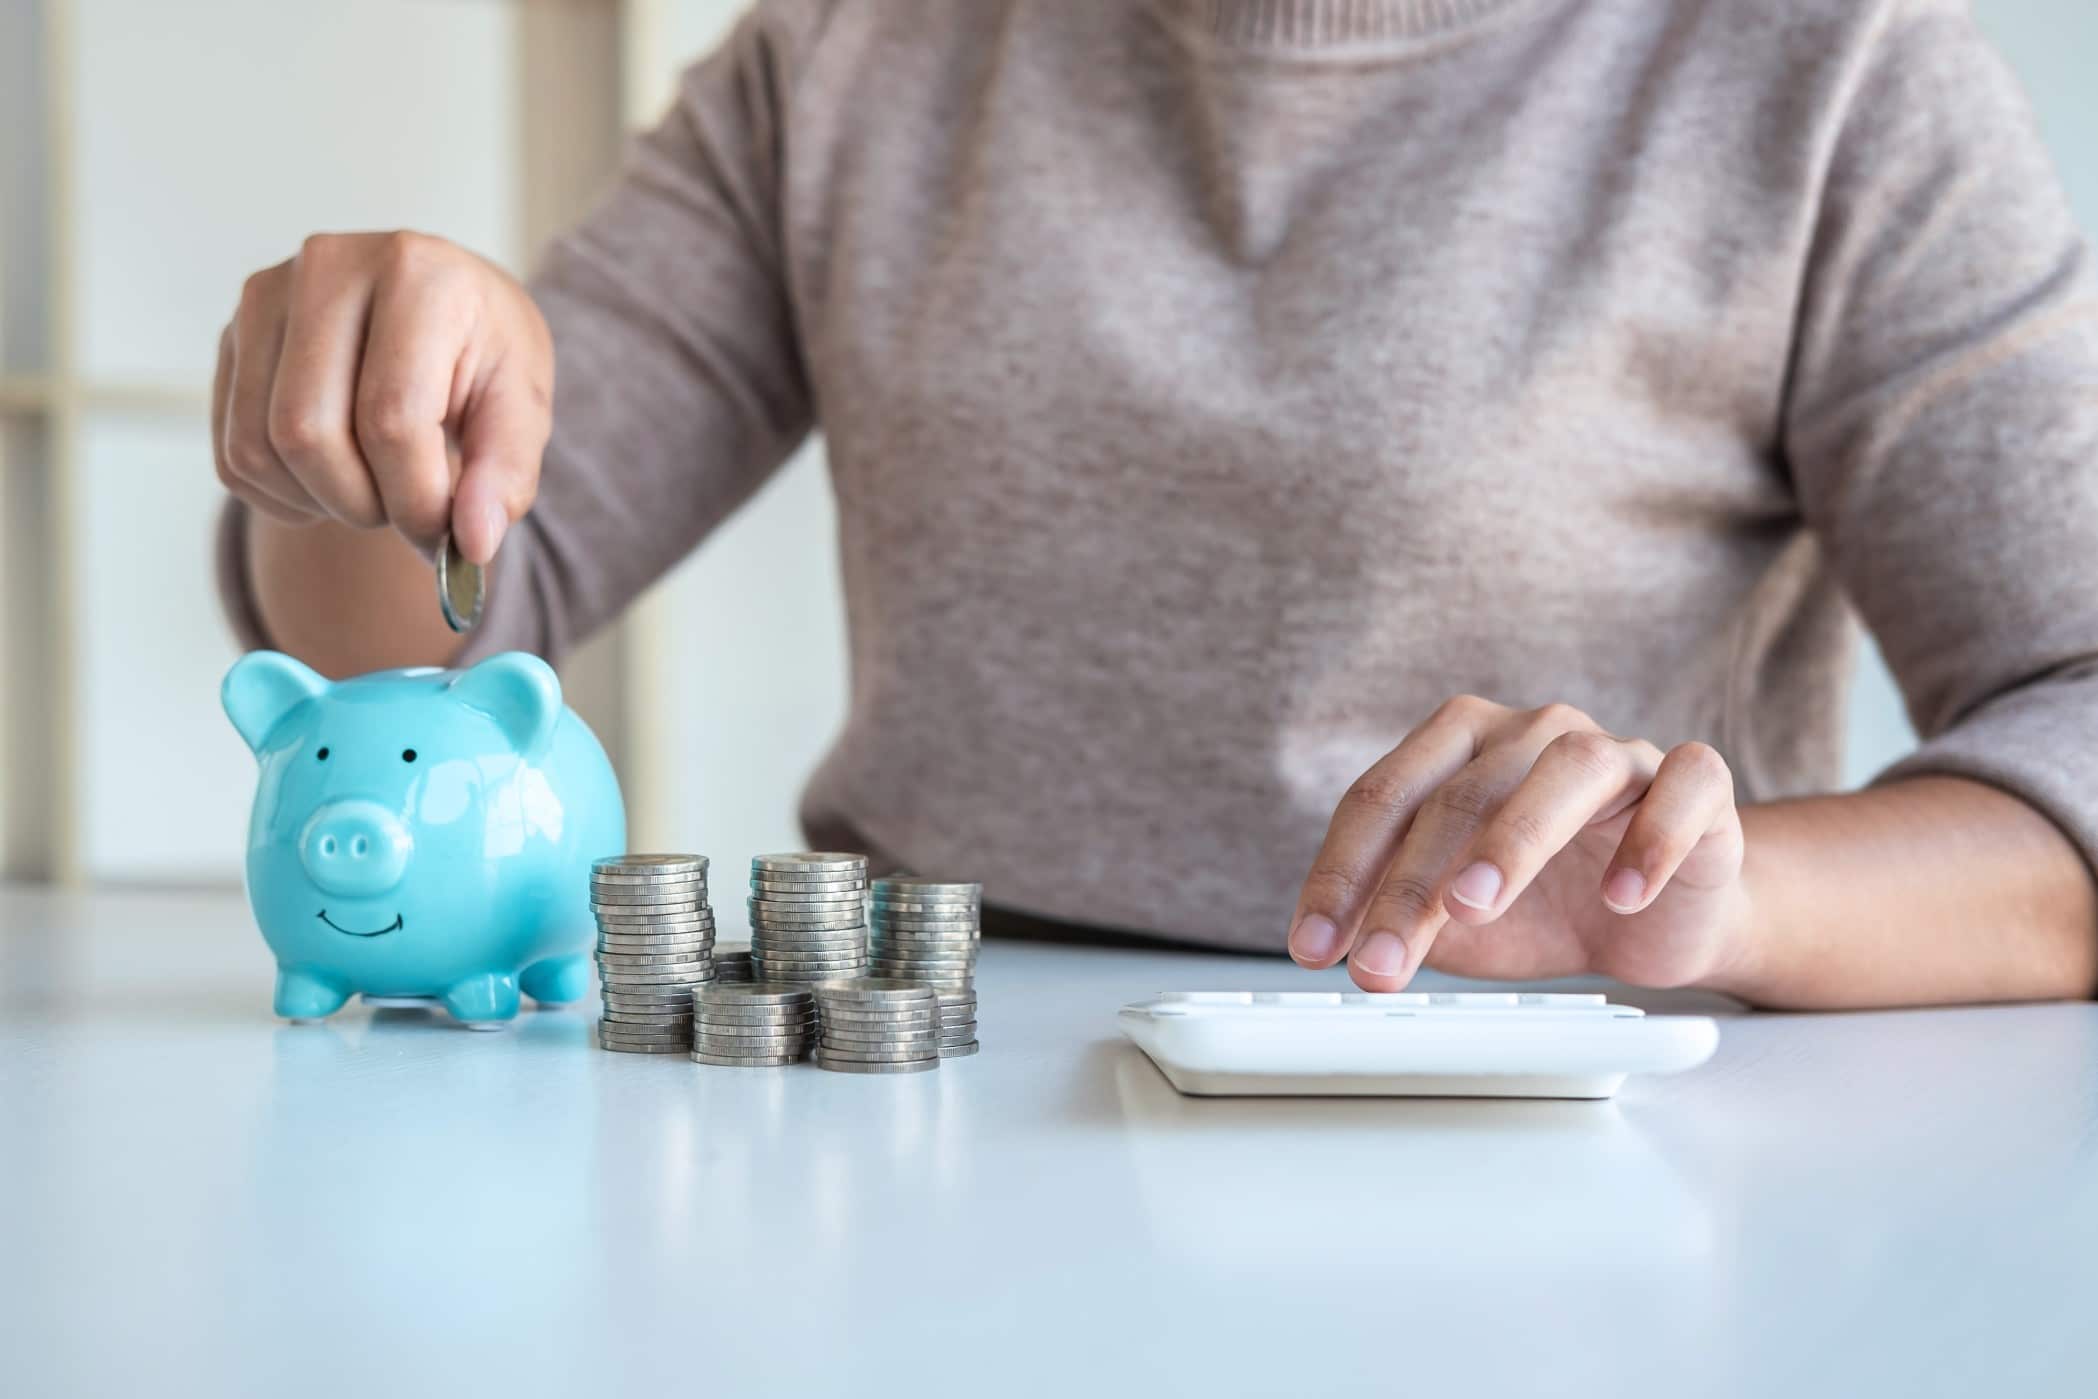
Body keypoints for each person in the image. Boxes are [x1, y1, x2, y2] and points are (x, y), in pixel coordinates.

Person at [211, 0, 2098, 1009]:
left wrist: (1732, 900)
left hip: (1549, 1123)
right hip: (922, 1100)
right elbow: (437, 627)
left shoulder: (1831, 71)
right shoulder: (860, 51)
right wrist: (360, 433)